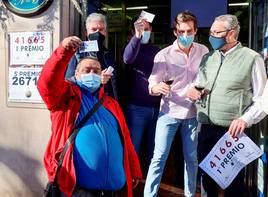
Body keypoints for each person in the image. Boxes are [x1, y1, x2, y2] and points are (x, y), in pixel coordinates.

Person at [37, 36, 142, 197]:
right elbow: (47, 83)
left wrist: (134, 169)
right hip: (76, 189)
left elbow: (126, 140)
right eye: (87, 70)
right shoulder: (65, 98)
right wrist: (63, 52)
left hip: (110, 190)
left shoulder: (110, 103)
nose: (92, 73)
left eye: (96, 71)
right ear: (76, 74)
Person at [188, 14, 267, 197]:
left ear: (231, 34)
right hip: (205, 128)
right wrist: (194, 92)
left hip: (231, 133)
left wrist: (245, 119)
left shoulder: (252, 58)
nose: (212, 36)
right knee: (206, 179)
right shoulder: (208, 57)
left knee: (233, 182)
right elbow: (200, 83)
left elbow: (263, 98)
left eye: (217, 32)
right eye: (211, 32)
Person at [143, 11, 209, 197]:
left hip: (194, 114)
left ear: (196, 31)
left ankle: (190, 194)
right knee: (159, 158)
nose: (185, 36)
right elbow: (152, 83)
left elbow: (208, 79)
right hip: (169, 112)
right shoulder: (163, 55)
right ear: (175, 32)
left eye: (189, 31)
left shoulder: (204, 51)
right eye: (181, 32)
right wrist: (158, 88)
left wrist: (202, 91)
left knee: (191, 159)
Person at [123, 16, 161, 171]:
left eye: (147, 29)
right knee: (134, 148)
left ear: (151, 30)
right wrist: (137, 37)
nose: (144, 32)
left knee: (155, 150)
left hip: (158, 108)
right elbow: (127, 58)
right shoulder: (131, 48)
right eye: (140, 29)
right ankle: (131, 181)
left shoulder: (157, 51)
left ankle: (151, 182)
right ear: (133, 31)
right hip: (137, 108)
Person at [65, 12, 119, 100]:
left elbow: (114, 83)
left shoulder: (108, 53)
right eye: (93, 29)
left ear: (105, 32)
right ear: (86, 33)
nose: (98, 33)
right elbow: (68, 80)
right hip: (85, 101)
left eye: (101, 29)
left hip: (106, 101)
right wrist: (96, 79)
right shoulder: (77, 53)